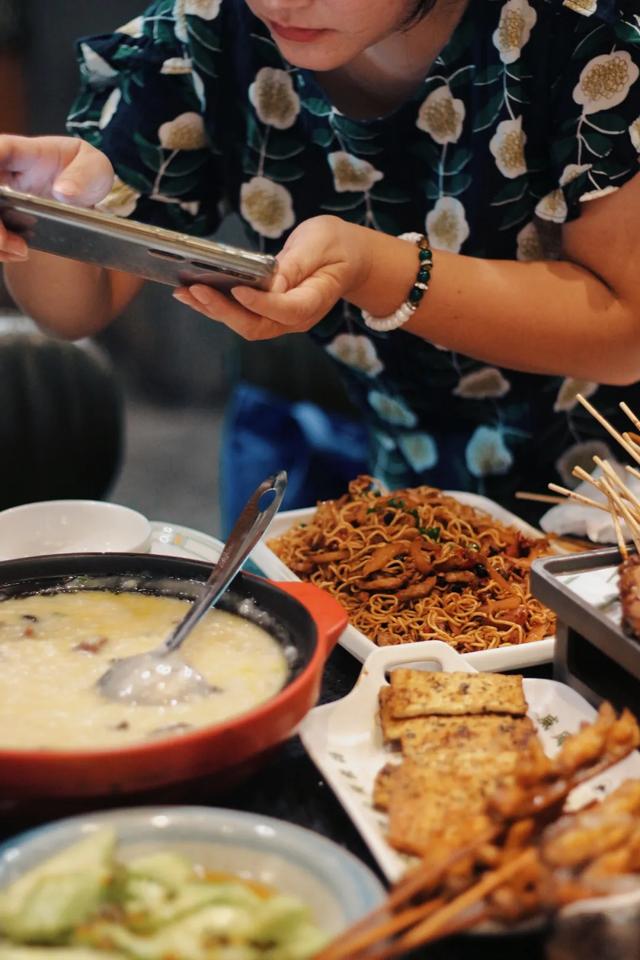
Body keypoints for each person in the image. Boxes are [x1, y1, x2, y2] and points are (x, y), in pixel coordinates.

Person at [1, 0, 639, 518]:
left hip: (611, 493)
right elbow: (77, 308)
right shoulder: (207, 35)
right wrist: (39, 213)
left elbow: (625, 332)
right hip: (415, 497)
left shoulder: (587, 33)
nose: (281, 2)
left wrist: (377, 270)